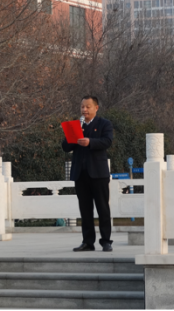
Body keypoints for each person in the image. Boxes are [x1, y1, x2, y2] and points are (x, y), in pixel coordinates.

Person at [62, 96, 114, 252]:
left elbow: (107, 141)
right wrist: (73, 136)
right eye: (82, 107)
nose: (84, 110)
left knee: (102, 208)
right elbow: (65, 146)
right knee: (85, 210)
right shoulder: (76, 125)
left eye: (88, 107)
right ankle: (88, 242)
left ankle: (106, 241)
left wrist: (90, 142)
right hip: (80, 173)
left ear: (96, 108)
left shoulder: (104, 123)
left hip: (98, 173)